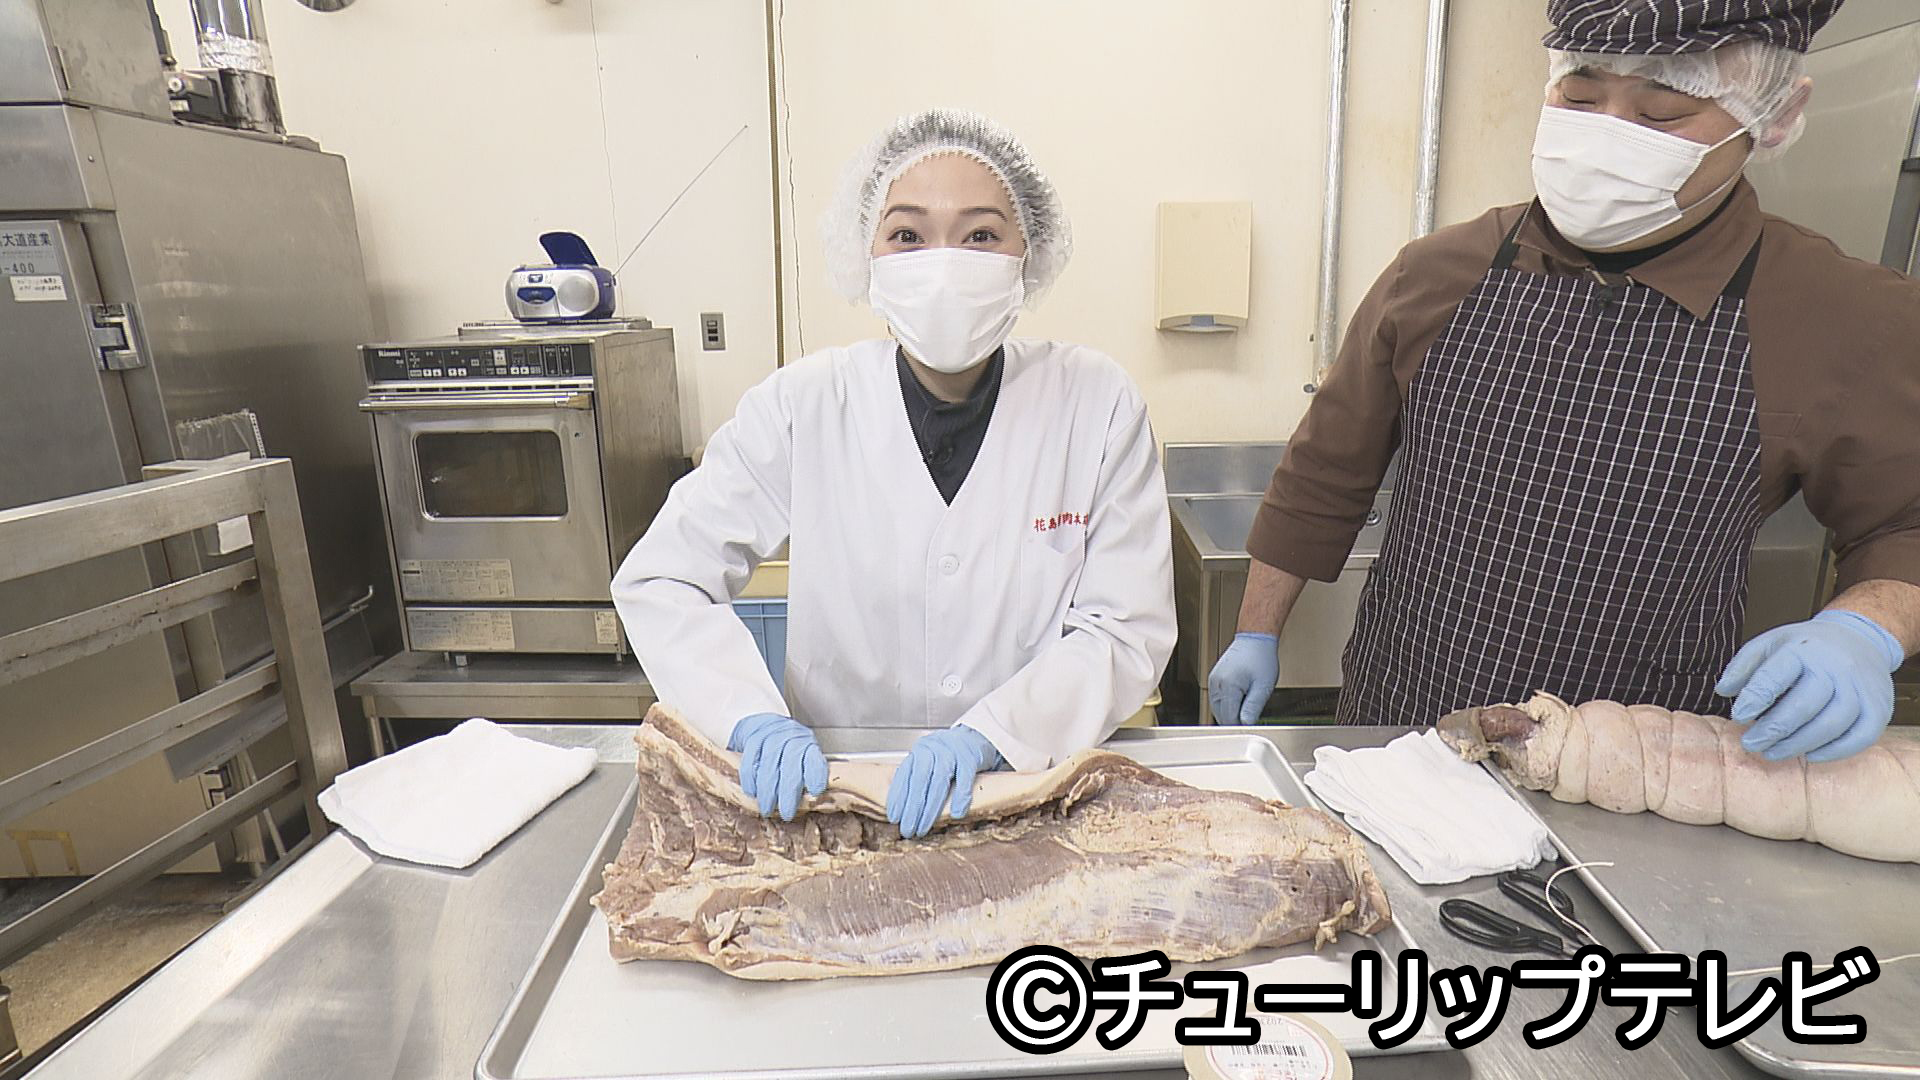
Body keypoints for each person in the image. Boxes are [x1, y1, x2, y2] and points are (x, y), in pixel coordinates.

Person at [1210, 0, 1918, 763]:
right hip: (1401, 725)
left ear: (1774, 115)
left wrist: (1865, 629)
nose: (1608, 134)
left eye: (1662, 112)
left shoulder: (1842, 317)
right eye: (1580, 96)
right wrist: (1256, 631)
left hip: (1637, 761)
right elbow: (1325, 471)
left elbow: (1903, 525)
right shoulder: (1438, 273)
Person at [613, 109, 1175, 837]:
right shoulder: (803, 404)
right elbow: (662, 577)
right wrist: (748, 716)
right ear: (867, 257)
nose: (943, 266)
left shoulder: (1096, 403)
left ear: (1028, 255)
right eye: (908, 235)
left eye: (980, 235)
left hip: (1026, 784)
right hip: (835, 794)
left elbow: (1126, 630)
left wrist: (995, 735)